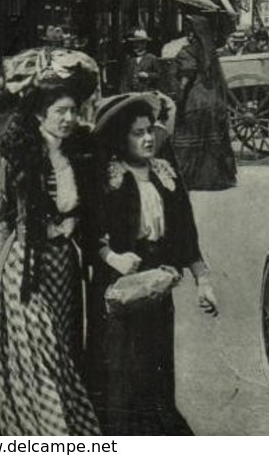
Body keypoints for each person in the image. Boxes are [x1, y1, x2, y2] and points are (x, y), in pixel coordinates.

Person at [0, 57, 100, 435]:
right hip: (26, 272)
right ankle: (43, 433)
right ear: (41, 114)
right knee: (38, 359)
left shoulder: (79, 153)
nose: (69, 118)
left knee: (63, 355)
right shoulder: (20, 155)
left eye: (74, 110)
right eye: (60, 111)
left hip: (66, 272)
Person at [87, 93, 218, 435]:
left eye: (149, 130)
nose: (147, 138)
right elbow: (87, 230)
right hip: (117, 291)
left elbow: (186, 234)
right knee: (121, 372)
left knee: (156, 369)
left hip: (158, 290)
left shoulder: (164, 174)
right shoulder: (109, 178)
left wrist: (204, 281)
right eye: (136, 132)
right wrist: (111, 257)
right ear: (120, 137)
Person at [169, 16, 237, 192]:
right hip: (213, 100)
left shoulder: (187, 51)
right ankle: (216, 179)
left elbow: (186, 76)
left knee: (189, 140)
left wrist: (179, 97)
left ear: (192, 33)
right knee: (211, 141)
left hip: (195, 101)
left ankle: (190, 179)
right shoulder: (210, 52)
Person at [121, 29, 163, 93]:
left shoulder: (152, 58)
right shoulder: (130, 60)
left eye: (138, 43)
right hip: (132, 95)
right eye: (134, 42)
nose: (135, 45)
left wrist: (148, 75)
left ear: (144, 44)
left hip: (148, 93)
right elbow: (124, 79)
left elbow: (160, 76)